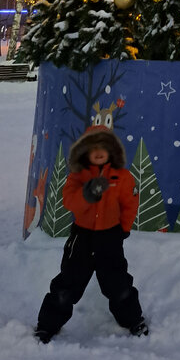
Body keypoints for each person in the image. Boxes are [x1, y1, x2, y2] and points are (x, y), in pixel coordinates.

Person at [35, 127, 147, 342]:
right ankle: (47, 325)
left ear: (111, 150)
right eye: (93, 147)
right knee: (68, 283)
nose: (98, 152)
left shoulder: (122, 177)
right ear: (84, 151)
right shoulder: (77, 177)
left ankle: (133, 320)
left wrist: (123, 229)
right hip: (82, 238)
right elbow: (69, 202)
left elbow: (130, 204)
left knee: (118, 283)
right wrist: (87, 194)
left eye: (103, 147)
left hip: (110, 237)